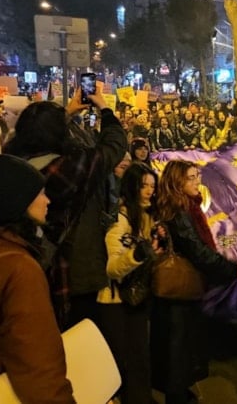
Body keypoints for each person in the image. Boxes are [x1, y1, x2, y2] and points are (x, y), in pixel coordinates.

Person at [4, 86, 127, 330]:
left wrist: (67, 112)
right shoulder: (70, 168)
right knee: (78, 336)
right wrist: (104, 107)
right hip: (73, 269)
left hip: (28, 263)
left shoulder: (12, 162)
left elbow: (23, 137)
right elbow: (114, 145)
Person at [0, 154, 74, 402]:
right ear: (16, 202)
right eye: (40, 194)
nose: (47, 200)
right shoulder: (19, 267)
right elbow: (38, 365)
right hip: (7, 391)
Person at [153, 160, 237, 404]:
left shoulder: (184, 206)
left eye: (197, 175)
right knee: (179, 344)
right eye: (191, 177)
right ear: (177, 182)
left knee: (179, 343)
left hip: (183, 288)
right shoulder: (179, 210)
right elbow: (197, 251)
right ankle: (176, 395)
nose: (198, 181)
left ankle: (177, 388)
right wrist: (232, 269)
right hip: (180, 287)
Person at [98, 163, 159, 403]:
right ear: (132, 187)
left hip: (136, 297)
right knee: (129, 360)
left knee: (140, 357)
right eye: (144, 186)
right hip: (117, 301)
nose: (149, 191)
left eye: (152, 186)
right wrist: (138, 254)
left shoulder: (147, 216)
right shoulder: (120, 220)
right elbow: (112, 268)